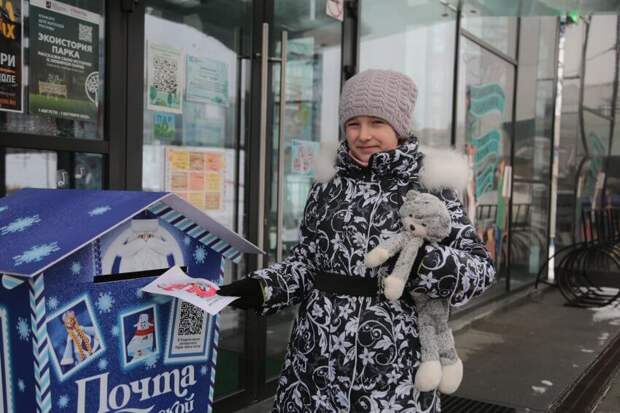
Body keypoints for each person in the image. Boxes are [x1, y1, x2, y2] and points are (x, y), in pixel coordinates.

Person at [218, 69, 495, 412]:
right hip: (315, 362)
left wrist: (424, 263)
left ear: (400, 125)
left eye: (377, 122)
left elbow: (480, 270)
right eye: (353, 124)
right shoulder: (327, 184)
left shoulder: (431, 186)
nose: (363, 135)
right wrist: (262, 288)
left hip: (394, 369)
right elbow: (306, 262)